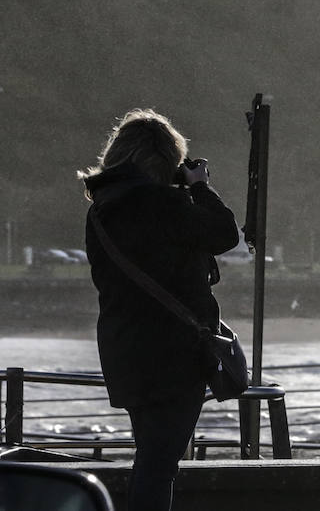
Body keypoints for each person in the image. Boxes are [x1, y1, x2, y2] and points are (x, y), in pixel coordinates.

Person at [79, 109, 240, 511]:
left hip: (123, 347)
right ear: (167, 159)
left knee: (151, 453)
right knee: (159, 463)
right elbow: (223, 234)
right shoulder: (161, 203)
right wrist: (200, 187)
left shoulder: (101, 209)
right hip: (173, 351)